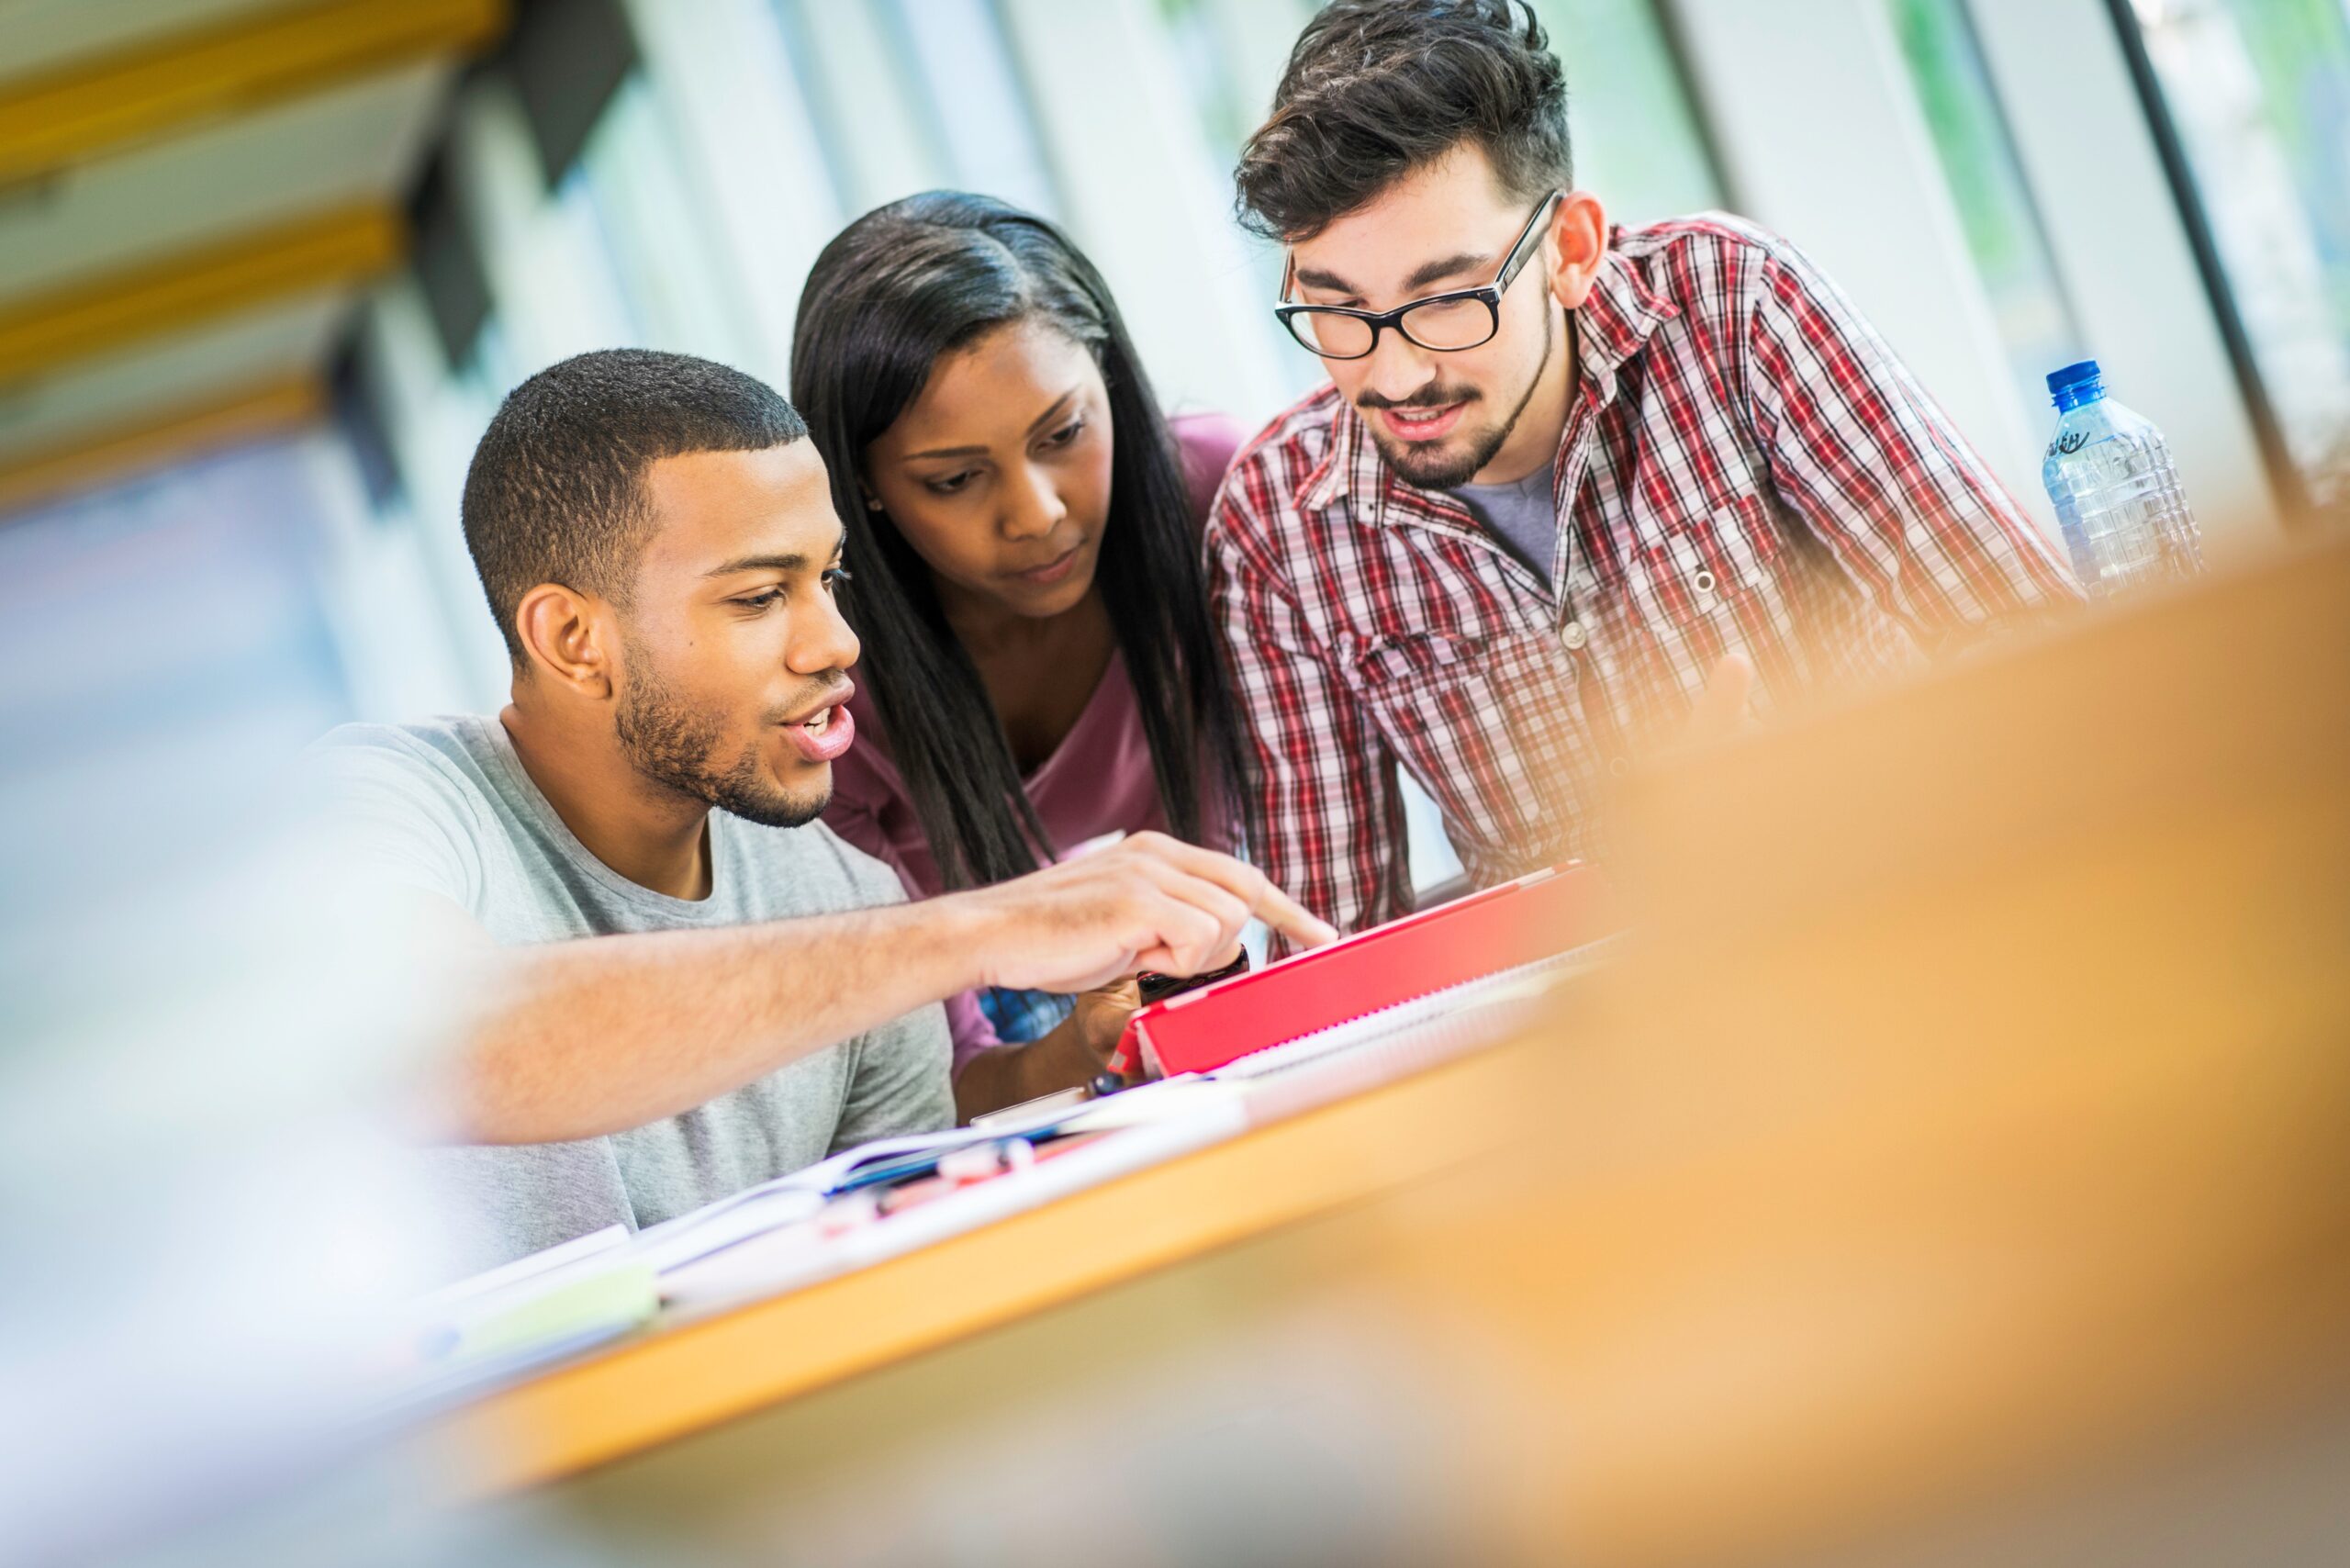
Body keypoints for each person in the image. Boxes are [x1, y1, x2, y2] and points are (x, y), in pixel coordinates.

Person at [309, 349, 1330, 1269]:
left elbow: (916, 1234)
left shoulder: (839, 885)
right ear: (574, 639)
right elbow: (442, 1041)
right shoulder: (386, 805)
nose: (837, 643)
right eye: (759, 597)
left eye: (829, 578)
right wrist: (981, 929)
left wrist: (1082, 1053)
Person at [1209, 0, 2082, 946]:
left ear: (1570, 250)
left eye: (1447, 300)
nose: (1393, 375)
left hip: (1908, 925)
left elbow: (2037, 665)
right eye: (1336, 310)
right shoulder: (1276, 528)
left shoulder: (1731, 305)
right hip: (1612, 1049)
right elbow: (1330, 960)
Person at [792, 193, 1251, 1119]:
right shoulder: (826, 684)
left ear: (1108, 383)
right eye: (955, 479)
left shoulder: (1217, 498)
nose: (1036, 511)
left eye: (1064, 434)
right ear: (864, 487)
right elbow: (937, 1085)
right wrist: (1085, 1044)